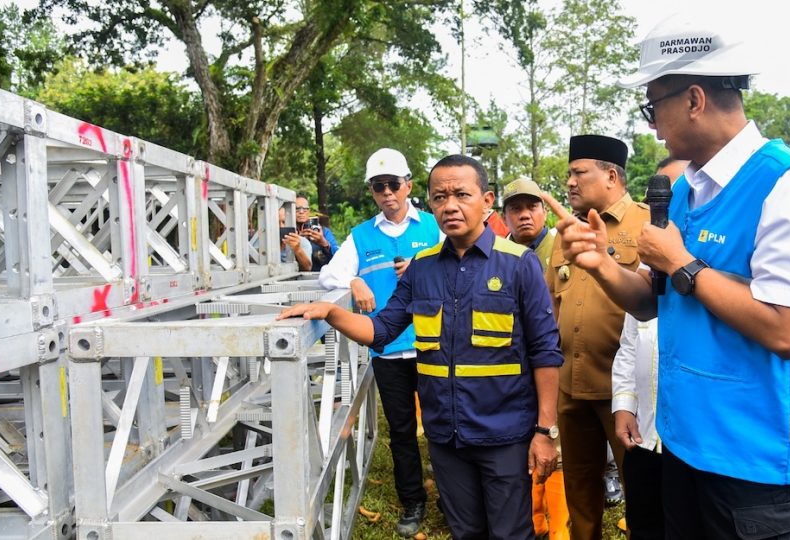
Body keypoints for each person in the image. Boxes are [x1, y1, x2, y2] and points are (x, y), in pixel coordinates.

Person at [549, 19, 790, 539]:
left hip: (751, 460)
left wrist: (683, 262)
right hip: (683, 444)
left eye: (652, 104)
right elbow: (650, 302)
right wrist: (603, 265)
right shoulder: (685, 192)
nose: (651, 124)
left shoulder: (789, 185)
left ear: (694, 99)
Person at [279, 155, 563, 540]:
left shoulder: (518, 264)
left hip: (504, 434)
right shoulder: (422, 268)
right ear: (429, 202)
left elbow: (546, 351)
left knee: (511, 531)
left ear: (487, 200)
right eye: (440, 196)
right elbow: (380, 330)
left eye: (462, 194)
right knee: (465, 530)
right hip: (446, 435)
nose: (450, 205)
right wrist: (331, 312)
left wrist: (546, 431)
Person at [318, 148, 441, 536]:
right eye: (379, 187)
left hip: (433, 343)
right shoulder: (361, 236)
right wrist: (352, 280)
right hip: (388, 349)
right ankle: (413, 502)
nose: (387, 193)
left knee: (444, 423)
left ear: (408, 185)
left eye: (393, 185)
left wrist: (424, 267)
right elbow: (327, 276)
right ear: (372, 191)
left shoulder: (433, 227)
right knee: (402, 430)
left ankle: (455, 497)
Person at [546, 134, 650, 540]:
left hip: (627, 390)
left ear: (611, 175)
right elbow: (553, 305)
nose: (570, 182)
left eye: (578, 173)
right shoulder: (564, 233)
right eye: (568, 174)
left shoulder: (646, 225)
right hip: (572, 384)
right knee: (579, 491)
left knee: (640, 492)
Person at [612, 157, 688, 540]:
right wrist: (625, 405)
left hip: (692, 445)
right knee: (644, 525)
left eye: (680, 196)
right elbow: (629, 344)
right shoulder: (648, 267)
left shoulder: (714, 266)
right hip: (645, 434)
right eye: (660, 200)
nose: (667, 209)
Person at [501, 177, 567, 539]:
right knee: (521, 440)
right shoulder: (497, 252)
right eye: (516, 209)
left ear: (544, 210)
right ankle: (534, 518)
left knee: (555, 440)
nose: (524, 215)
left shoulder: (562, 246)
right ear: (504, 215)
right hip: (512, 365)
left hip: (557, 362)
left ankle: (558, 526)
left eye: (532, 207)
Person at [294, 195, 339, 271]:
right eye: (297, 208)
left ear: (309, 211)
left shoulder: (323, 232)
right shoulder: (290, 232)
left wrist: (324, 243)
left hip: (319, 276)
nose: (301, 212)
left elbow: (339, 256)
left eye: (305, 208)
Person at [279, 207, 313, 271]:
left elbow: (307, 268)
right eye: (277, 223)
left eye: (284, 222)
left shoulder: (303, 242)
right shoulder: (263, 240)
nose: (281, 226)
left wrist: (298, 249)